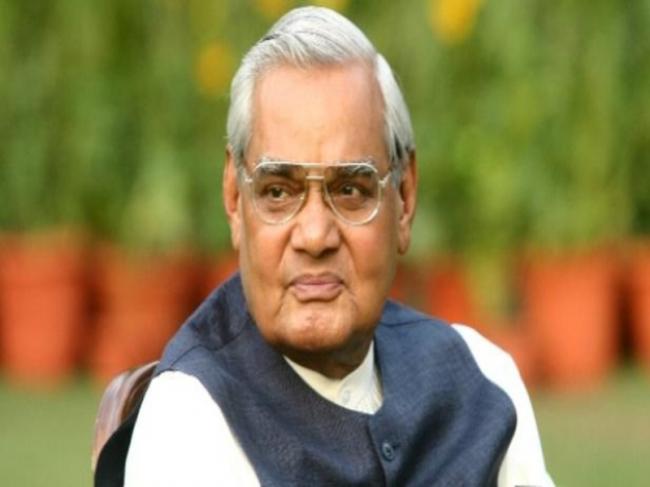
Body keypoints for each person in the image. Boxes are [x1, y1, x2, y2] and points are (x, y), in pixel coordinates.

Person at [110, 6, 553, 486]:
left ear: (404, 199)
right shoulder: (192, 423)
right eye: (278, 192)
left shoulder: (482, 380)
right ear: (235, 200)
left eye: (350, 189)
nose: (315, 235)